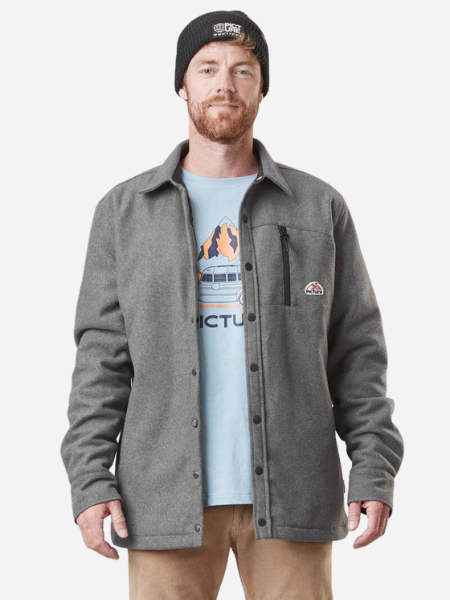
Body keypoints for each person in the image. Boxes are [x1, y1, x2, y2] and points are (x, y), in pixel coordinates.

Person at [61, 10, 404, 600]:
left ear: (262, 87)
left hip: (294, 495)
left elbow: (357, 351)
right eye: (208, 69)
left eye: (243, 70)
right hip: (161, 501)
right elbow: (100, 362)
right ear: (182, 85)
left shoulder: (317, 207)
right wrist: (90, 479)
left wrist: (373, 466)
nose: (225, 84)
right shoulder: (124, 212)